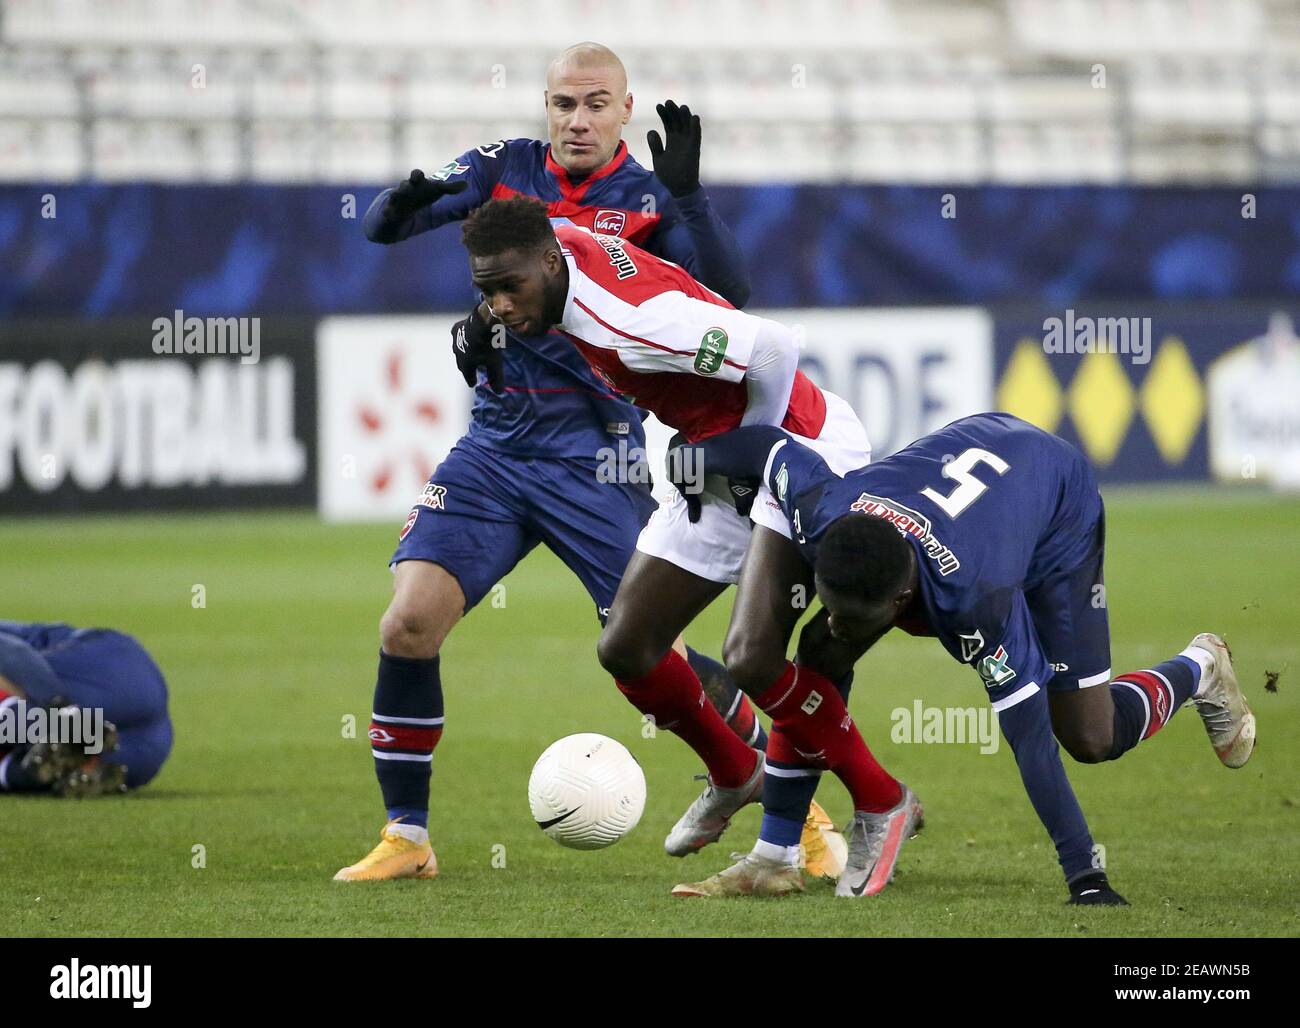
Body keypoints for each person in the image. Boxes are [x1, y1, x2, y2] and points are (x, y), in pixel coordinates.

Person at [337, 42, 835, 882]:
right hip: (494, 448)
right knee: (407, 623)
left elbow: (731, 294)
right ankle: (407, 839)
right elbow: (383, 228)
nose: (578, 120)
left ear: (625, 110)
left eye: (596, 104)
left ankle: (795, 805)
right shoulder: (501, 169)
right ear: (545, 106)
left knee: (646, 646)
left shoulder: (644, 197)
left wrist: (689, 200)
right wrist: (404, 197)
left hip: (599, 457)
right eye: (564, 103)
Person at [457, 196, 907, 875]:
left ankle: (878, 801)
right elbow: (549, 234)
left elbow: (774, 346)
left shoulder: (628, 323)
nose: (501, 307)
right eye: (485, 291)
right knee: (629, 645)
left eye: (508, 289)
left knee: (754, 655)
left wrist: (753, 447)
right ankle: (736, 775)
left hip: (800, 450)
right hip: (710, 462)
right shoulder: (558, 246)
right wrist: (480, 315)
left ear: (551, 263)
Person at [664, 413, 1256, 902]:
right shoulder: (824, 511)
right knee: (819, 650)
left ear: (901, 601)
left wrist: (1085, 875)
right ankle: (776, 854)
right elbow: (769, 448)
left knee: (1089, 735)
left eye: (854, 614)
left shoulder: (978, 603)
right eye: (831, 604)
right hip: (973, 448)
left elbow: (1030, 740)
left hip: (1054, 505)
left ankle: (1200, 668)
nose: (838, 621)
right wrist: (687, 462)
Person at [0, 620, 173, 796]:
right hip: (141, 746)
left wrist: (60, 709)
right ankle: (50, 762)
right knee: (31, 763)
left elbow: (13, 652)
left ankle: (58, 734)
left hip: (105, 679)